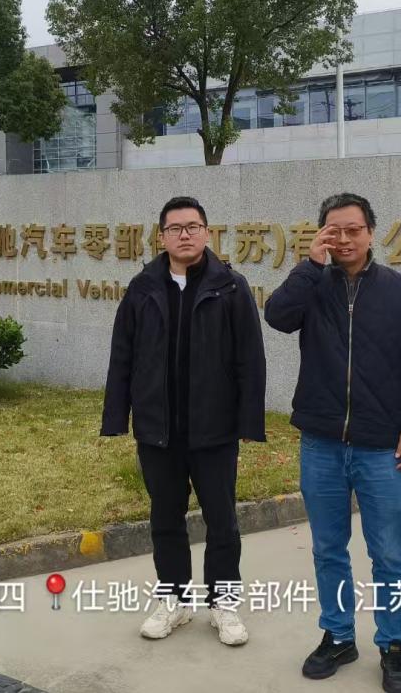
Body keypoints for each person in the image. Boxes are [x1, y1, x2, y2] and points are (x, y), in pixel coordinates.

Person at [264, 192, 401, 693]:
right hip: (321, 443)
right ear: (321, 234)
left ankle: (394, 645)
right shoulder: (312, 287)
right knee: (328, 548)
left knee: (389, 554)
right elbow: (277, 316)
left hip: (380, 446)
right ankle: (339, 635)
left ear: (371, 233)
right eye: (333, 231)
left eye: (353, 230)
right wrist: (309, 265)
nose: (343, 239)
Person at [102, 195, 267, 646]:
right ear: (162, 237)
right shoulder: (142, 288)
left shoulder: (230, 287)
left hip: (214, 430)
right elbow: (123, 354)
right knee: (165, 518)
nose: (185, 235)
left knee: (222, 520)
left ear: (207, 233)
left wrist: (248, 422)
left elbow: (250, 359)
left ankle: (223, 603)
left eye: (193, 226)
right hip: (159, 430)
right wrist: (117, 416)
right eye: (175, 228)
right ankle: (173, 600)